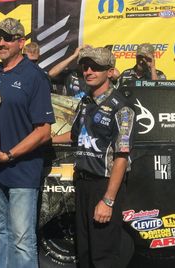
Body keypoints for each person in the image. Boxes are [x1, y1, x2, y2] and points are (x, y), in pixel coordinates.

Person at [0, 18, 54, 268]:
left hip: (21, 169)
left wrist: (10, 155)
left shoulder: (35, 76)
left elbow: (44, 131)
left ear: (21, 42)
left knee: (22, 238)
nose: (1, 42)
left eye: (8, 38)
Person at [53, 47, 135, 268]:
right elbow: (73, 136)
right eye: (85, 67)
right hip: (82, 184)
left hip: (104, 185)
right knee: (84, 252)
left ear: (110, 72)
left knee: (103, 256)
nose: (88, 71)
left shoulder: (122, 108)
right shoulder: (86, 102)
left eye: (95, 67)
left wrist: (108, 201)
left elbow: (122, 156)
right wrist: (44, 139)